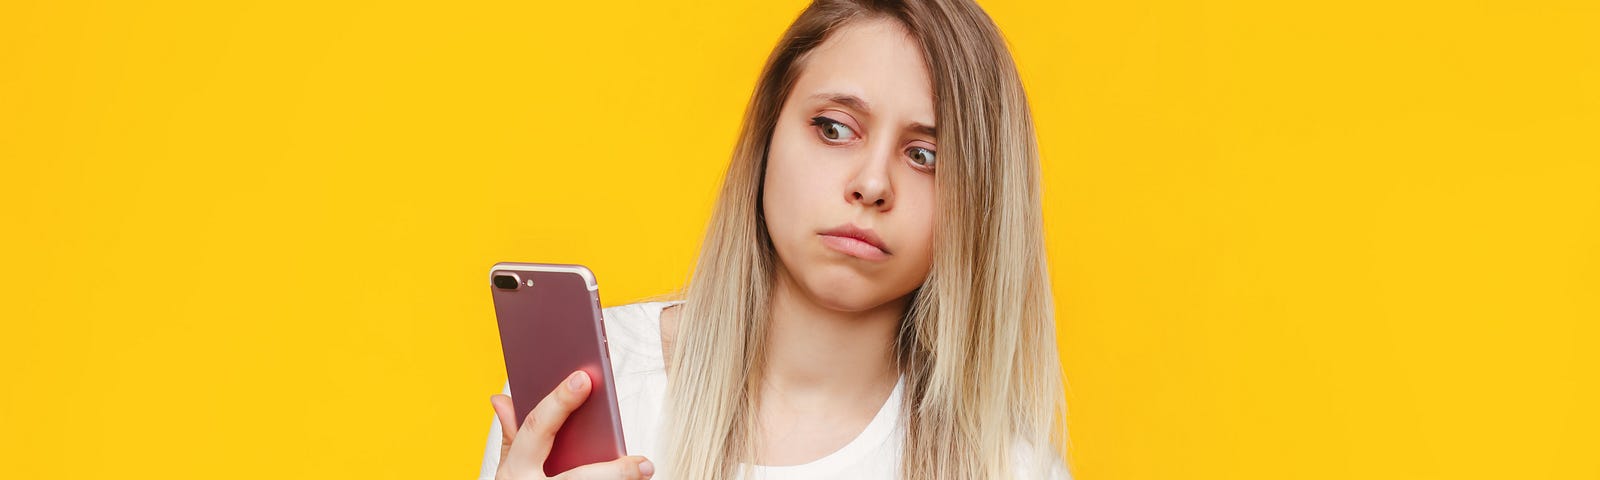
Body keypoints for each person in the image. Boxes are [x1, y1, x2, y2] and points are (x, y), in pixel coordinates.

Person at [480, 1, 1069, 478]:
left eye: (925, 157)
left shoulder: (1011, 468)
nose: (871, 184)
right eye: (834, 128)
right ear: (766, 138)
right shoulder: (584, 394)